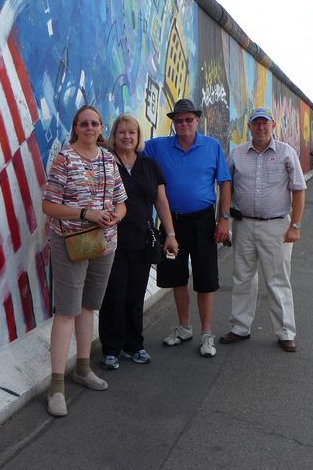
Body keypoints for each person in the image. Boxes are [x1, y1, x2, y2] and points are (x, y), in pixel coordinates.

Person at [42, 105, 128, 417]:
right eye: (84, 123)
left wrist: (114, 217)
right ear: (76, 127)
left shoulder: (108, 158)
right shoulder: (65, 158)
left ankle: (82, 367)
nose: (90, 128)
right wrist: (85, 214)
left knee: (89, 307)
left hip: (104, 243)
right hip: (71, 244)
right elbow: (49, 206)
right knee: (67, 311)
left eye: (95, 123)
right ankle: (56, 385)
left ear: (101, 127)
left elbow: (121, 202)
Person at [144, 99, 231, 358]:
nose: (183, 124)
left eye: (188, 119)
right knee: (175, 276)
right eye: (179, 120)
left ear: (197, 120)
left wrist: (223, 219)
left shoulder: (212, 146)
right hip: (172, 223)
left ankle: (206, 333)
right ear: (173, 122)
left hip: (204, 221)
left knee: (205, 278)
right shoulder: (157, 146)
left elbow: (224, 182)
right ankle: (184, 327)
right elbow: (128, 147)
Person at [219, 108, 306, 352]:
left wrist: (295, 226)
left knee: (278, 280)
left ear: (273, 125)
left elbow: (299, 190)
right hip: (244, 224)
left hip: (276, 226)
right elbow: (227, 188)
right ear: (249, 126)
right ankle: (240, 326)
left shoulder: (286, 153)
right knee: (242, 277)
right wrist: (223, 219)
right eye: (256, 124)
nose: (260, 128)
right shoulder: (237, 154)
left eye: (264, 123)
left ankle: (285, 332)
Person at [98, 114, 179, 370]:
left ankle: (135, 346)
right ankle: (111, 349)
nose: (127, 137)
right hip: (112, 240)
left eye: (132, 132)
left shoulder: (149, 165)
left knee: (135, 294)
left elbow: (161, 201)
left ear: (138, 136)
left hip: (143, 240)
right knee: (114, 295)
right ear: (114, 135)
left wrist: (170, 234)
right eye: (122, 132)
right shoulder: (106, 162)